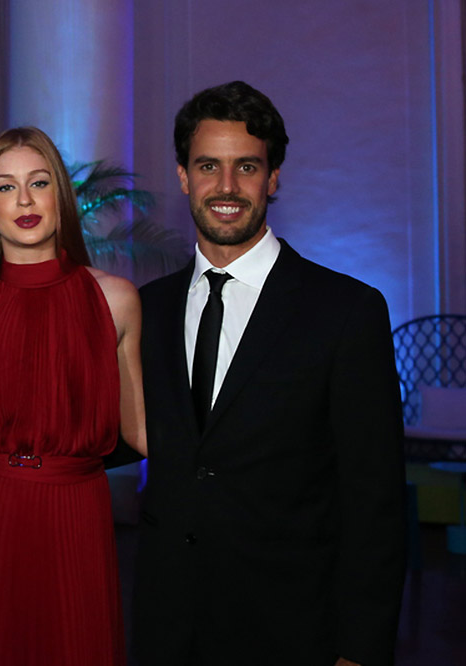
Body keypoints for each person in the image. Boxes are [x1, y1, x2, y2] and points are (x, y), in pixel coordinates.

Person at [132, 81, 405, 665]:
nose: (226, 187)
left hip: (291, 630)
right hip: (166, 626)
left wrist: (360, 648)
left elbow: (374, 499)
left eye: (246, 167)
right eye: (208, 165)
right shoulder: (145, 309)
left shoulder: (347, 311)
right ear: (183, 175)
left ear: (273, 177)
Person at [0, 126, 148, 666]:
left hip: (75, 518)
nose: (23, 200)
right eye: (5, 187)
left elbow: (139, 429)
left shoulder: (116, 300)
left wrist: (243, 469)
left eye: (38, 182)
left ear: (60, 198)